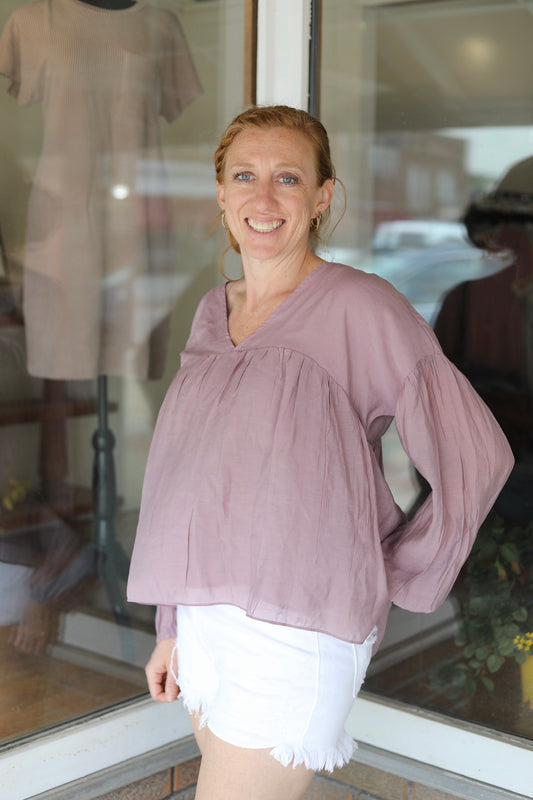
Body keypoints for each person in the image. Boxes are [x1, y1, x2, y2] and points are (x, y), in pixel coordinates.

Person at [127, 105, 514, 800]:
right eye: (244, 175)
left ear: (321, 196)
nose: (263, 197)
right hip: (204, 623)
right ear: (220, 193)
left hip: (295, 630)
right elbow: (186, 480)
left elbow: (472, 455)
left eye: (287, 177)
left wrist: (396, 564)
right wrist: (171, 625)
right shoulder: (212, 310)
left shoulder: (360, 307)